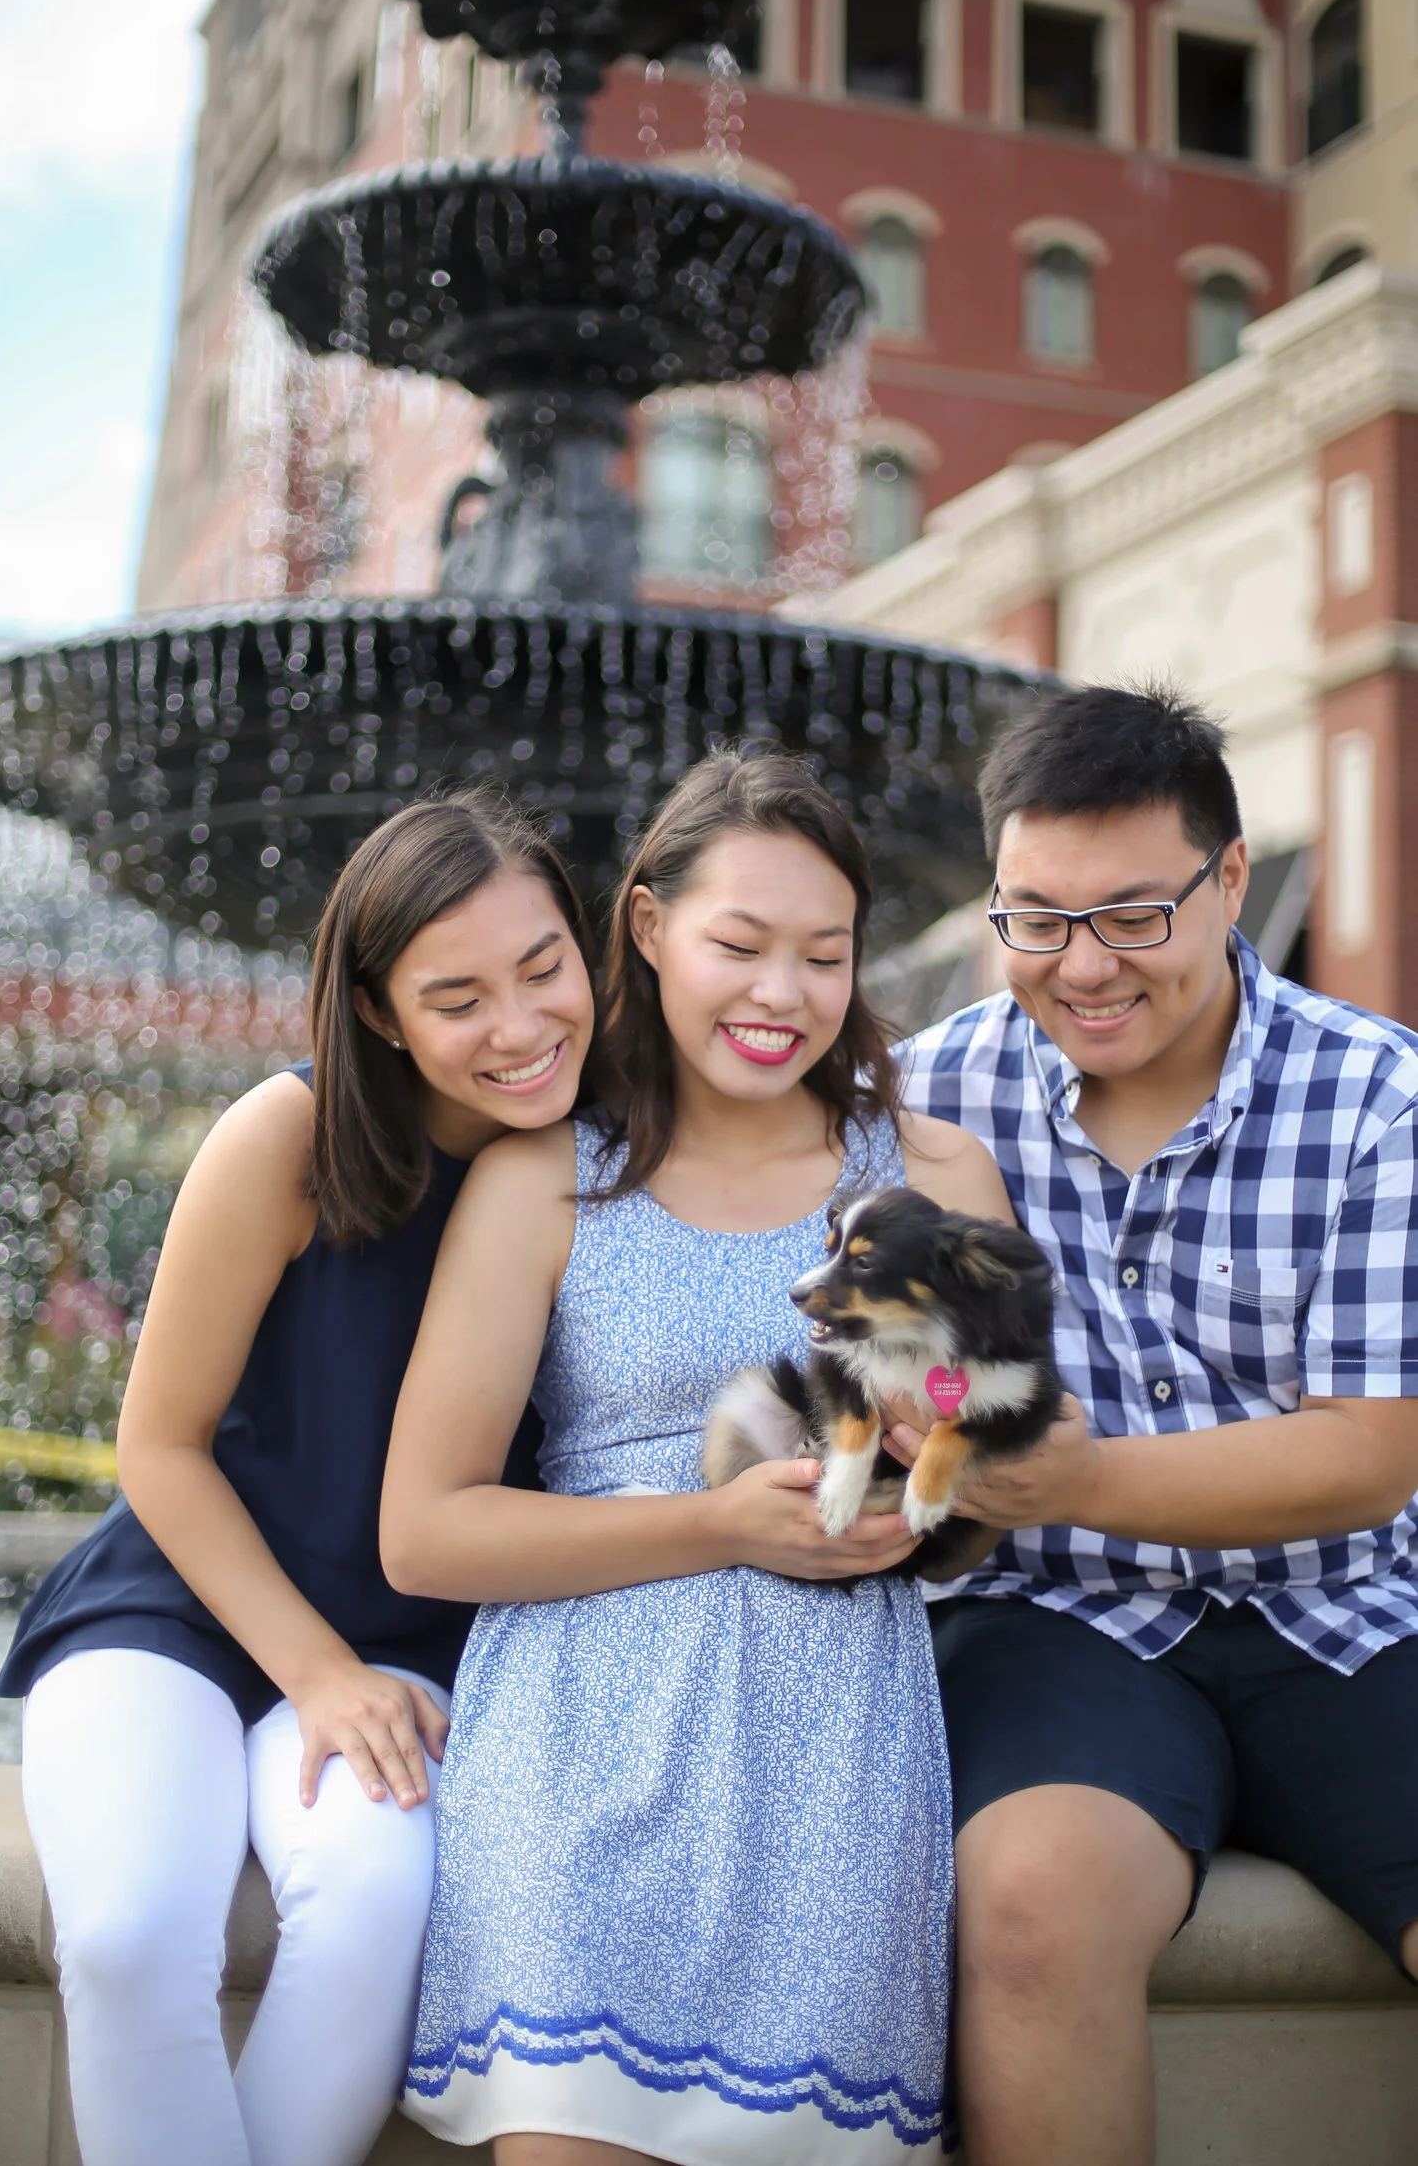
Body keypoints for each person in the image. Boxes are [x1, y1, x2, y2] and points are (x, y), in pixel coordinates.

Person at [381, 746, 1014, 2166]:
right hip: (580, 1752)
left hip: (832, 1770)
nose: (781, 993)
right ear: (653, 929)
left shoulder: (935, 1179)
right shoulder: (548, 1174)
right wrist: (720, 1522)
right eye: (739, 943)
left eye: (824, 954)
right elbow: (424, 1530)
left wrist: (943, 1480)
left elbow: (995, 1488)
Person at [0, 788, 601, 2166]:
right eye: (457, 996)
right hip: (179, 1609)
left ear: (589, 951)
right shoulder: (289, 1136)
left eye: (543, 968)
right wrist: (318, 1671)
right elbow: (155, 1444)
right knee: (132, 1927)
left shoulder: (610, 1159)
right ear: (383, 1012)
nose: (517, 1026)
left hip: (417, 1636)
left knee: (378, 1905)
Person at [888, 682, 1418, 2166]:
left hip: (1357, 1606)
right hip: (1060, 1618)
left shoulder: (1380, 1096)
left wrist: (1081, 1471)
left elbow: (1371, 1451)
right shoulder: (936, 1095)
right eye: (1035, 919)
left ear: (1230, 877)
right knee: (1030, 1900)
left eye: (1133, 916)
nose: (1081, 967)